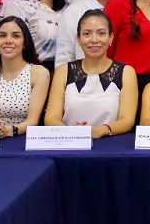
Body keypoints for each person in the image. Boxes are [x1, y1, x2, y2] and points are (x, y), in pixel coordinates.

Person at [45, 9, 137, 138]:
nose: (94, 40)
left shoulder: (126, 72)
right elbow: (51, 118)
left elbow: (127, 120)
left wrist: (101, 130)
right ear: (78, 38)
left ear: (111, 38)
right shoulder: (63, 71)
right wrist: (70, 132)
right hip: (70, 144)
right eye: (87, 34)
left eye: (101, 33)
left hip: (111, 146)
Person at [0, 16, 50, 138]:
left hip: (23, 139)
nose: (8, 41)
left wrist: (9, 130)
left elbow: (33, 121)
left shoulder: (39, 73)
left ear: (25, 42)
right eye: (3, 35)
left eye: (15, 36)